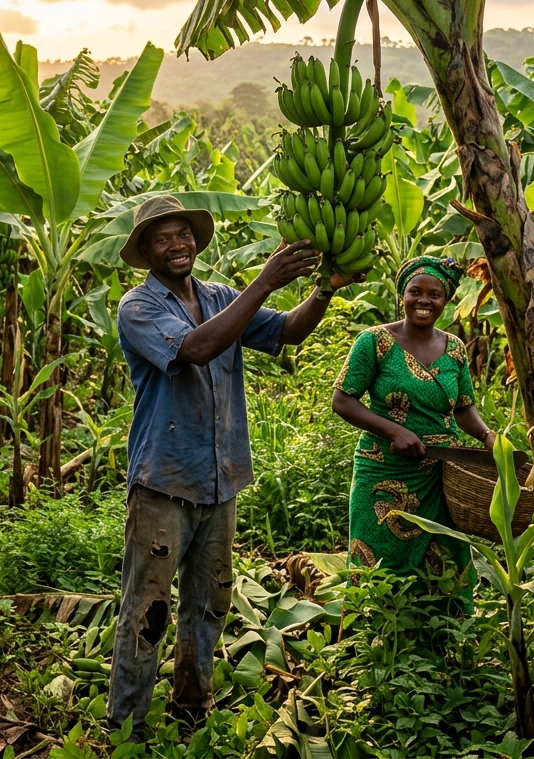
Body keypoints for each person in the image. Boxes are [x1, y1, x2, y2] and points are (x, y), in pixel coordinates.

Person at [108, 194, 357, 738]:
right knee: (147, 613)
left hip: (221, 482)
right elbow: (195, 349)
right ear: (145, 251)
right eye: (163, 238)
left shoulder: (220, 295)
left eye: (184, 234)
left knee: (209, 606)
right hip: (165, 483)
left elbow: (286, 331)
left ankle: (191, 711)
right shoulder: (139, 307)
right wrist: (264, 281)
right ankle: (125, 729)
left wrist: (323, 290)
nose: (178, 245)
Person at [331, 255, 496, 591]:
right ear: (402, 296)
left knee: (444, 564)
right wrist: (395, 431)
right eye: (415, 292)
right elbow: (343, 401)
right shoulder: (374, 342)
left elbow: (464, 409)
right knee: (378, 564)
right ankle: (375, 638)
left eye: (434, 294)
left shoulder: (455, 349)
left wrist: (487, 436)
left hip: (441, 472)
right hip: (383, 469)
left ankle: (439, 641)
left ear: (445, 301)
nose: (424, 301)